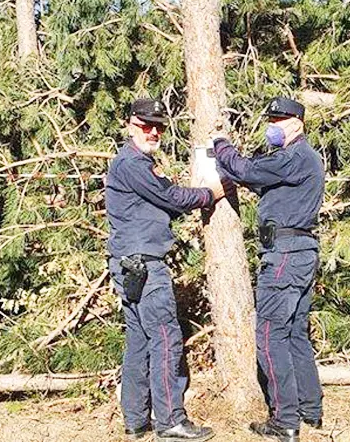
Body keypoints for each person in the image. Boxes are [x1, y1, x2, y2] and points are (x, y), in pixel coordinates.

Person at [105, 98, 222, 442]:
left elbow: (159, 204)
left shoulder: (136, 164)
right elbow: (170, 197)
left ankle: (136, 421)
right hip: (143, 266)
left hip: (130, 265)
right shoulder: (132, 164)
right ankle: (170, 421)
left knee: (140, 342)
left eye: (158, 126)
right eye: (145, 126)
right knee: (167, 340)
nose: (153, 132)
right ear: (130, 125)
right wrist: (208, 194)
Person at [212, 97, 325, 442]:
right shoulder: (296, 160)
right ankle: (310, 410)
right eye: (271, 118)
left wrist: (220, 146)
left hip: (285, 254)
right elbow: (257, 179)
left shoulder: (295, 155)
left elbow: (247, 171)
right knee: (293, 334)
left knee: (269, 335)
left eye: (279, 119)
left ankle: (284, 420)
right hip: (300, 251)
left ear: (297, 124)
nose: (272, 125)